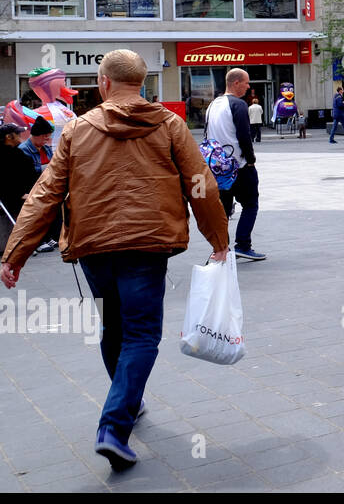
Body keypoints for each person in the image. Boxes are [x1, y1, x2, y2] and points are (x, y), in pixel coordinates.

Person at [1, 50, 230, 472]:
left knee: (113, 325)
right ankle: (114, 424)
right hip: (147, 244)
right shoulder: (170, 125)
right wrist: (218, 238)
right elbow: (202, 185)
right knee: (142, 334)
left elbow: (45, 193)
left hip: (95, 247)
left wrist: (15, 253)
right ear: (140, 83)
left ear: (104, 83)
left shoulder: (76, 130)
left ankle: (126, 400)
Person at [205, 68, 266, 261]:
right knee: (250, 204)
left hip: (218, 168)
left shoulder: (213, 105)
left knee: (223, 208)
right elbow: (244, 135)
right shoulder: (238, 105)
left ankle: (223, 247)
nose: (249, 87)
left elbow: (207, 136)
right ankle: (243, 245)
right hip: (239, 166)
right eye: (247, 83)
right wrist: (250, 159)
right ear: (236, 83)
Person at [18, 117, 59, 253]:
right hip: (30, 187)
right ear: (36, 135)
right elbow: (25, 177)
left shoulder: (46, 149)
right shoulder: (23, 151)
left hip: (46, 185)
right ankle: (39, 240)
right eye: (45, 136)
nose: (47, 139)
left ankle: (52, 236)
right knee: (40, 205)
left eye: (49, 136)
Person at [0, 122, 38, 227]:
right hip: (14, 205)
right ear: (8, 137)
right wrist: (20, 195)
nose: (20, 134)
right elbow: (6, 180)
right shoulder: (8, 156)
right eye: (17, 133)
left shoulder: (18, 153)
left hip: (26, 199)